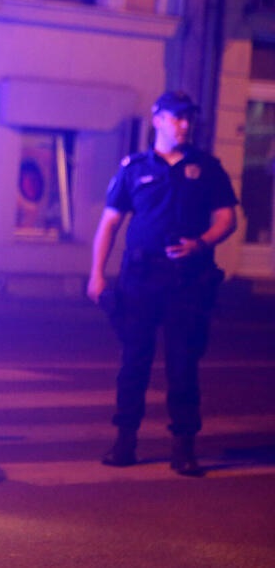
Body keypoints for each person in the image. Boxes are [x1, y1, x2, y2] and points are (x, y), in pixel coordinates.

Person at [87, 90, 238, 477]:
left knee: (183, 366)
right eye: (176, 117)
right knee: (133, 362)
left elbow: (227, 219)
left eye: (189, 118)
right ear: (158, 120)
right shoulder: (134, 167)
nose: (184, 124)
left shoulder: (207, 168)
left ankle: (184, 447)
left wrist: (201, 243)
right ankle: (125, 442)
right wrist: (97, 273)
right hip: (140, 279)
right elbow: (109, 223)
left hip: (188, 281)